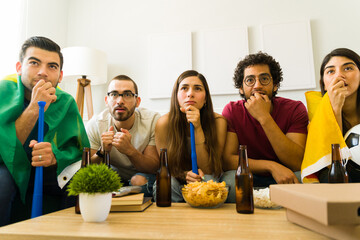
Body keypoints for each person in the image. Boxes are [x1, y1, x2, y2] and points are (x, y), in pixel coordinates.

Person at [0, 36, 89, 226]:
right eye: (34, 63)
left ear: (61, 75)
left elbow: (79, 151)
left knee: (82, 180)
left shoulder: (66, 102)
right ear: (19, 67)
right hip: (7, 169)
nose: (43, 72)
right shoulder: (3, 91)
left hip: (48, 173)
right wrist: (34, 107)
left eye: (52, 66)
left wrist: (54, 157)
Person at [222, 52, 308, 195]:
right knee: (230, 182)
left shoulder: (295, 109)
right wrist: (270, 166)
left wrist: (264, 117)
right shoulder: (232, 110)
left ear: (275, 85)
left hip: (285, 176)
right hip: (249, 175)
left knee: (304, 179)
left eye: (264, 79)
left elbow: (296, 162)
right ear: (241, 88)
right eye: (250, 80)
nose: (257, 85)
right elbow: (228, 161)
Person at [154, 70, 227, 202]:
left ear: (205, 99)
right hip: (178, 179)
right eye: (184, 88)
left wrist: (198, 127)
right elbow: (166, 166)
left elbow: (208, 169)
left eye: (197, 89)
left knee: (209, 179)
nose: (190, 94)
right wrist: (184, 175)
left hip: (207, 177)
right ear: (176, 97)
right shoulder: (164, 123)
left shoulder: (218, 122)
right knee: (164, 183)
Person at [86, 75, 161, 197]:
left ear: (137, 101)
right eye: (114, 94)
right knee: (97, 181)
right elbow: (89, 168)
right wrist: (102, 151)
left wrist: (130, 150)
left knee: (138, 180)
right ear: (106, 100)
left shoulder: (152, 121)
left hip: (144, 176)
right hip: (114, 176)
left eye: (127, 95)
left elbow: (153, 167)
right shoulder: (95, 124)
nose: (120, 101)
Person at [302, 48, 360, 183]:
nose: (339, 76)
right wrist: (335, 108)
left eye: (348, 69)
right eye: (330, 71)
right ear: (324, 84)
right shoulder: (318, 112)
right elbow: (332, 161)